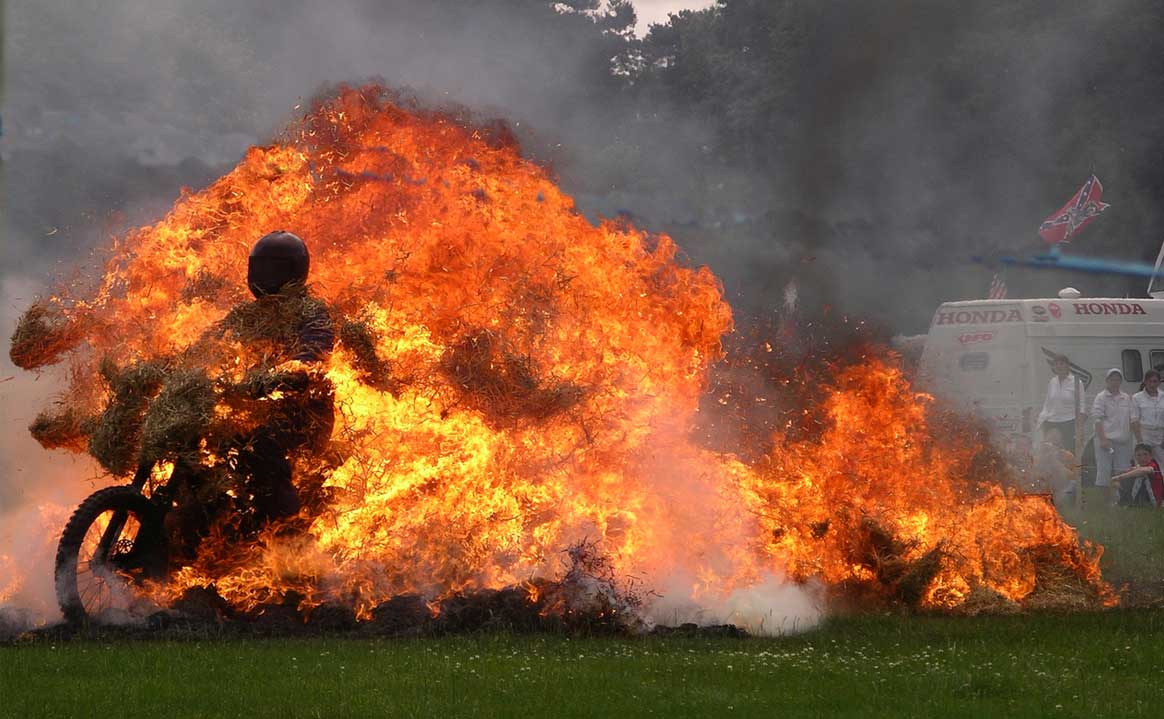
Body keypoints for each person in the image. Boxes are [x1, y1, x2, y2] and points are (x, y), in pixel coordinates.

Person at [222, 230, 336, 522]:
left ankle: (288, 533)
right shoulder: (246, 316)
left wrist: (284, 375)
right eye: (262, 267)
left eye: (275, 268)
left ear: (294, 273)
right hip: (256, 408)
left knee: (260, 444)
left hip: (303, 415)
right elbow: (211, 346)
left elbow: (312, 357)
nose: (266, 275)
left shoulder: (312, 314)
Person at [1092, 368, 1134, 506]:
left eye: (1117, 379)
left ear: (1120, 381)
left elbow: (1131, 418)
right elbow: (1097, 419)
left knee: (1122, 471)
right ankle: (1103, 503)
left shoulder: (1126, 398)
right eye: (1112, 379)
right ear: (1107, 381)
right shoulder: (1100, 397)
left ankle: (1120, 501)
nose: (1114, 382)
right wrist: (1103, 439)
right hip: (1106, 440)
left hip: (1123, 440)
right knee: (1104, 471)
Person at [1037, 353, 1084, 453]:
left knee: (1068, 453)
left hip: (1069, 423)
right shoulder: (1052, 382)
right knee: (1049, 453)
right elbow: (1047, 404)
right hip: (1051, 422)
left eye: (1062, 363)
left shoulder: (1076, 382)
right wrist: (1041, 420)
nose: (1059, 366)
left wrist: (1079, 430)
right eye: (1056, 364)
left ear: (1067, 365)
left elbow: (1081, 407)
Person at [1111, 443, 1164, 507]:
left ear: (1151, 456)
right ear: (1135, 456)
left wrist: (1120, 477)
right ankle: (1121, 501)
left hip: (1154, 501)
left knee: (1140, 476)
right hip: (1145, 498)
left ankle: (1131, 502)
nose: (1142, 458)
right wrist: (1118, 477)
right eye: (1139, 455)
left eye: (1145, 454)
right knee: (1121, 479)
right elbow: (1131, 471)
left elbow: (1143, 470)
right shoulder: (1139, 466)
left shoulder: (1152, 464)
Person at [1131, 369, 1164, 466]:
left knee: (1161, 466)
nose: (1152, 384)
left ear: (1159, 382)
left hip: (1160, 436)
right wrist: (1140, 443)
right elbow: (1134, 420)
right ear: (1145, 382)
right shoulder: (1137, 397)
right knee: (1143, 466)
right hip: (1144, 434)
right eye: (1149, 381)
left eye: (1155, 381)